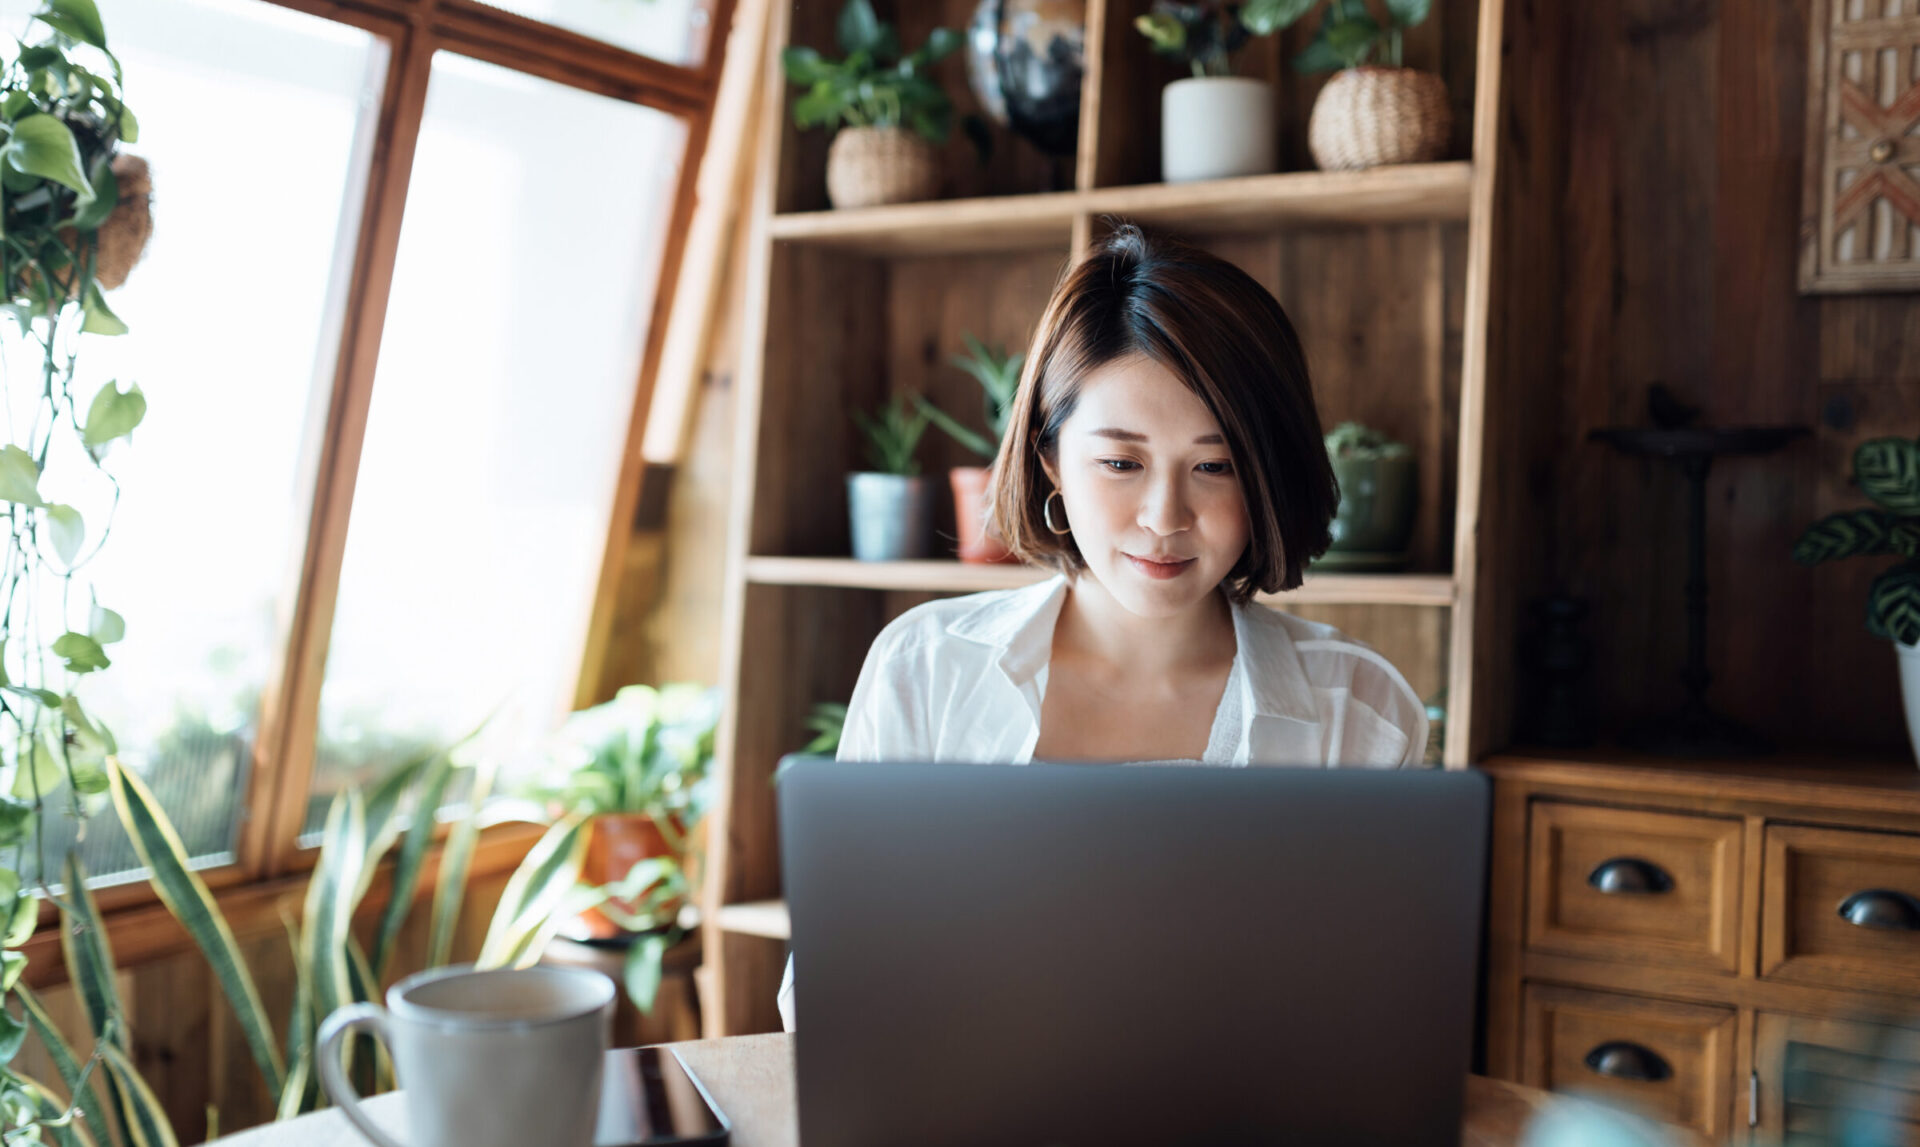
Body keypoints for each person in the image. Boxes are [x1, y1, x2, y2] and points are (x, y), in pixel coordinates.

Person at [776, 224, 1430, 1031]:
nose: (1165, 518)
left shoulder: (1359, 712)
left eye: (1215, 465)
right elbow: (827, 997)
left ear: (1268, 471)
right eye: (1121, 463)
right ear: (1051, 457)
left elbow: (1381, 1023)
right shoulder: (928, 666)